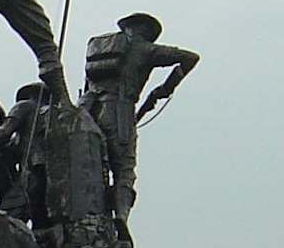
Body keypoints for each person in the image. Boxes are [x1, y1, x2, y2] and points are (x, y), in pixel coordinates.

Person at [79, 12, 200, 218]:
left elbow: (87, 85)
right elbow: (190, 58)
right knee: (124, 170)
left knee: (92, 163)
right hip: (119, 112)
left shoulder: (100, 49)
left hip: (87, 112)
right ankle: (121, 216)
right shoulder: (144, 49)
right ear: (146, 30)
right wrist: (165, 88)